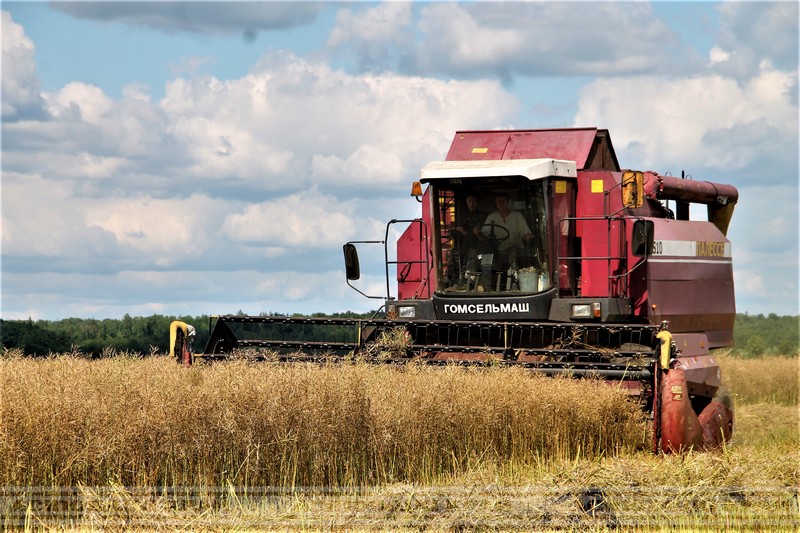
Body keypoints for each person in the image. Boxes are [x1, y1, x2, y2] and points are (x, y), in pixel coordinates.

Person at [481, 193, 533, 270]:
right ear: (496, 203)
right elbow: (484, 234)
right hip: (499, 250)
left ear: (508, 202)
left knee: (513, 255)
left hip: (516, 249)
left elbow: (526, 233)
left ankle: (515, 274)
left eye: (503, 201)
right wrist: (478, 232)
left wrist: (528, 236)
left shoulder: (517, 216)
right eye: (499, 201)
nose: (501, 203)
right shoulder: (491, 217)